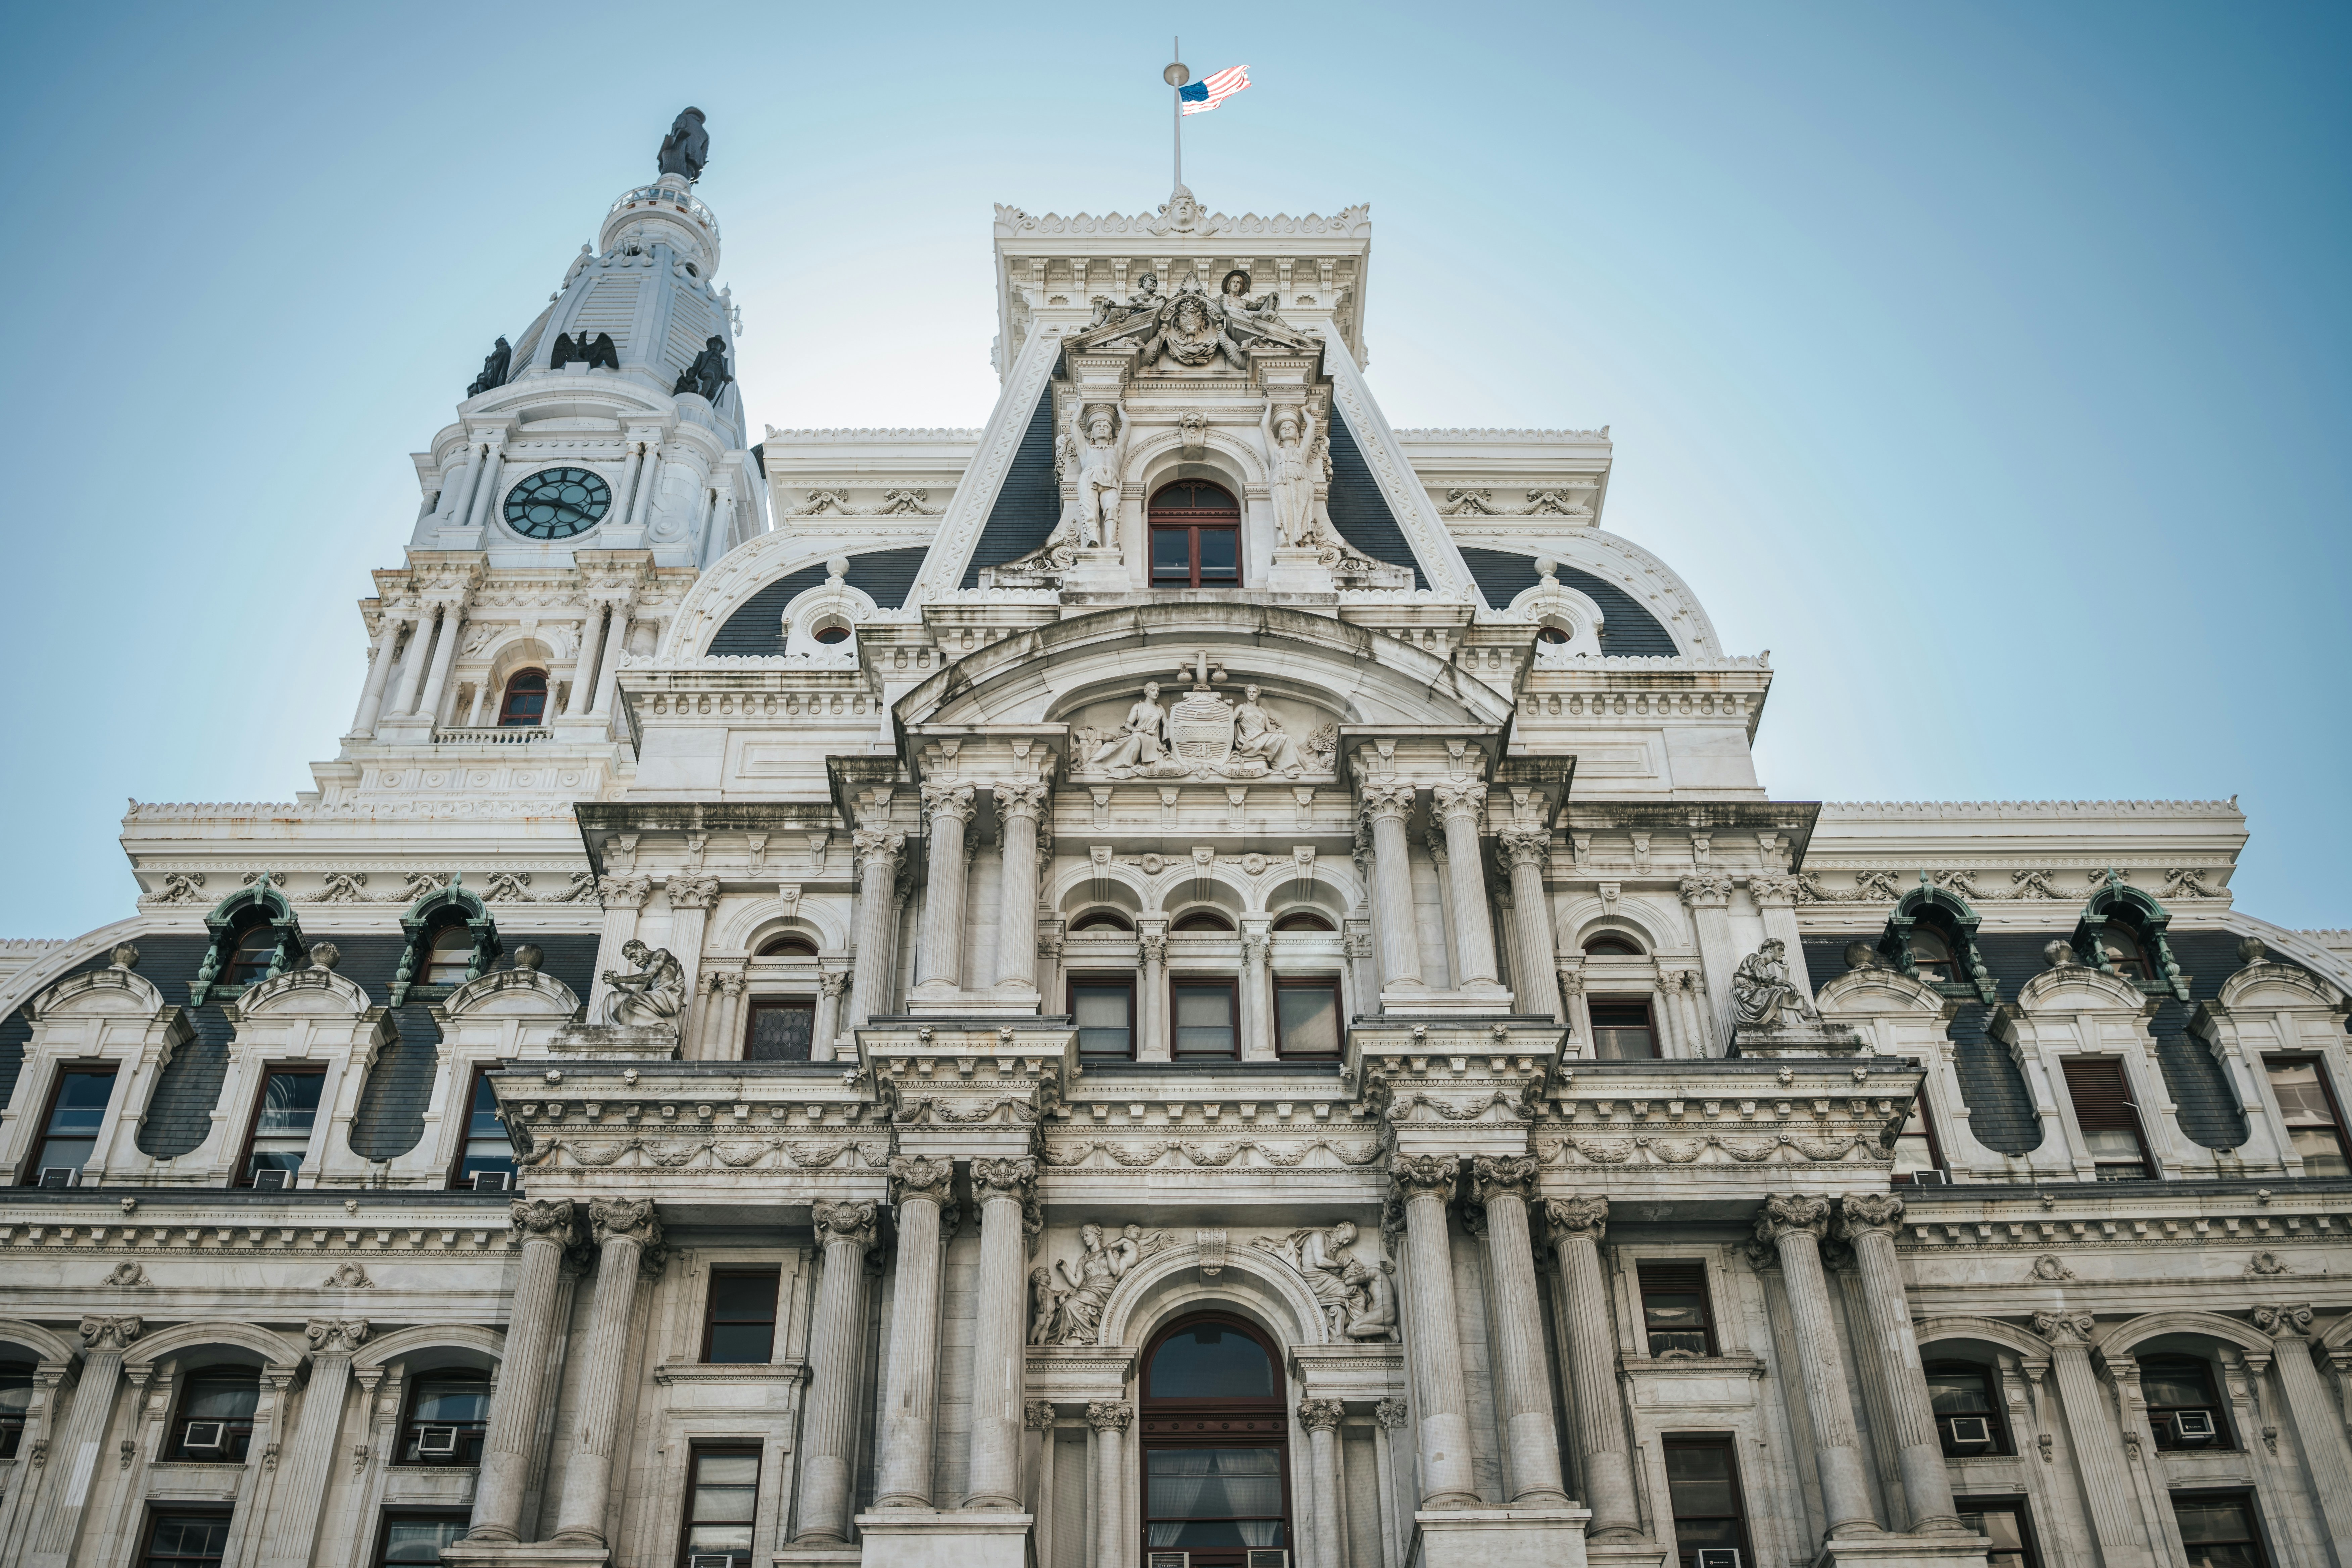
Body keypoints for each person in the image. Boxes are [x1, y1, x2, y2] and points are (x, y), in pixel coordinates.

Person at [1731, 938, 1816, 1029]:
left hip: (1753, 995)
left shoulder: (1763, 969)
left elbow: (1783, 993)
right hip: (1745, 994)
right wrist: (1789, 984)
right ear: (1771, 949)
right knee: (1786, 989)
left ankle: (1809, 1019)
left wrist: (1785, 972)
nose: (1783, 954)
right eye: (1781, 949)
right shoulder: (1753, 958)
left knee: (1787, 991)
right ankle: (1808, 1020)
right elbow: (1766, 977)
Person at [1088, 682, 1169, 774]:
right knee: (1109, 746)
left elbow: (1167, 725)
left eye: (1158, 691)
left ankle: (1125, 764)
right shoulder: (1139, 706)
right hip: (1138, 734)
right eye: (1153, 690)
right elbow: (1128, 724)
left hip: (1152, 739)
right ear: (1147, 692)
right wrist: (1135, 729)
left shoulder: (1160, 709)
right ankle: (1099, 764)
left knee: (1136, 738)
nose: (1156, 693)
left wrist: (1175, 712)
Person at [601, 939, 685, 1027]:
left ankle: (660, 1026)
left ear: (641, 948)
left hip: (669, 996)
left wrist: (618, 979)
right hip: (656, 997)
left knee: (630, 1002)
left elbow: (647, 977)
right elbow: (634, 993)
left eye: (633, 955)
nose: (633, 961)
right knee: (613, 997)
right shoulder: (646, 970)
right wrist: (615, 983)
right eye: (631, 959)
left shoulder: (662, 953)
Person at [1231, 685, 1303, 774]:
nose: (1252, 694)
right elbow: (1229, 722)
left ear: (1258, 695)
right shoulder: (1241, 708)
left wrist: (1279, 731)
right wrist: (1227, 705)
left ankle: (1292, 766)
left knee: (1288, 739)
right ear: (1246, 694)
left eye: (1254, 692)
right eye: (1249, 692)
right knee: (1287, 739)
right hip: (1251, 740)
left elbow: (1270, 729)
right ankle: (1291, 767)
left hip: (1263, 737)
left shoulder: (1262, 711)